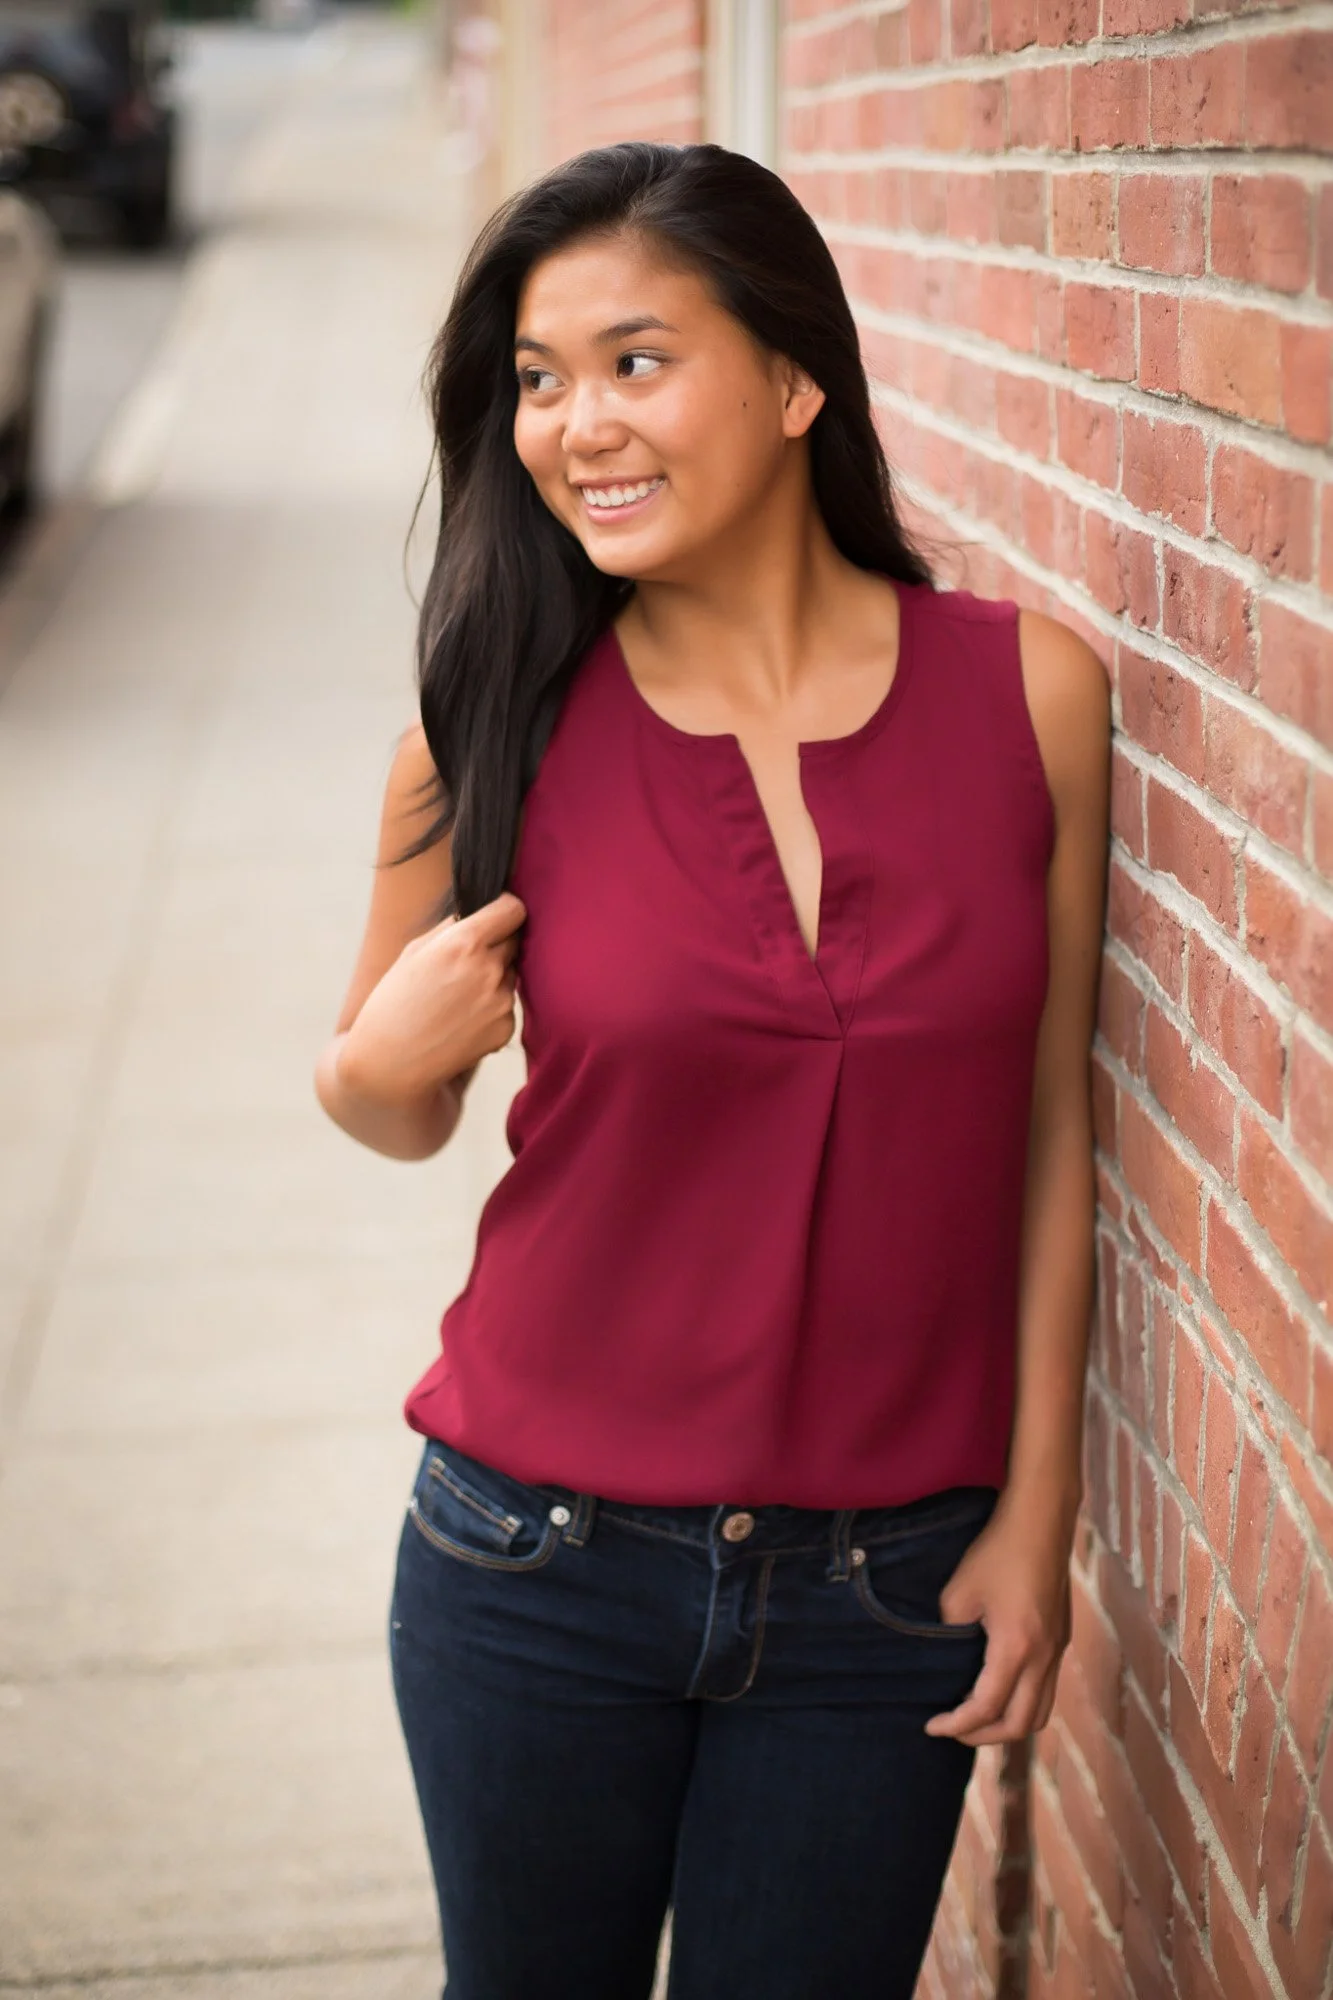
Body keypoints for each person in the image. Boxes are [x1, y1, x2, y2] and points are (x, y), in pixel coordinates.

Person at [314, 140, 1110, 2000]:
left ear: (797, 377)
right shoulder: (489, 724)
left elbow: (1052, 1136)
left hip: (884, 1589)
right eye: (538, 377)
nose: (573, 422)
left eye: (636, 360)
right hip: (534, 1562)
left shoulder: (1033, 697)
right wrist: (380, 1058)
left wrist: (1038, 1516)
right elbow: (387, 1102)